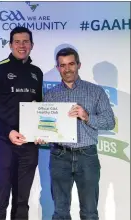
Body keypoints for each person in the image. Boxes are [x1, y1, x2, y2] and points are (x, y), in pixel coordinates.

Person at [40, 47, 115, 220]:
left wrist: (86, 116)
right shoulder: (50, 95)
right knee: (60, 212)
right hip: (59, 155)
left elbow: (110, 122)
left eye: (71, 64)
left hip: (87, 156)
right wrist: (41, 135)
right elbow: (45, 127)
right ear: (58, 68)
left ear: (79, 65)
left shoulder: (96, 91)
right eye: (63, 65)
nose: (67, 69)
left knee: (89, 212)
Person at [0, 26, 43, 220]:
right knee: (0, 199)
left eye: (26, 41)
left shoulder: (36, 73)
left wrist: (41, 132)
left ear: (32, 45)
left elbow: (38, 107)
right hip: (2, 142)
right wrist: (8, 132)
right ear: (10, 44)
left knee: (22, 202)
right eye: (17, 41)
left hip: (29, 145)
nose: (22, 45)